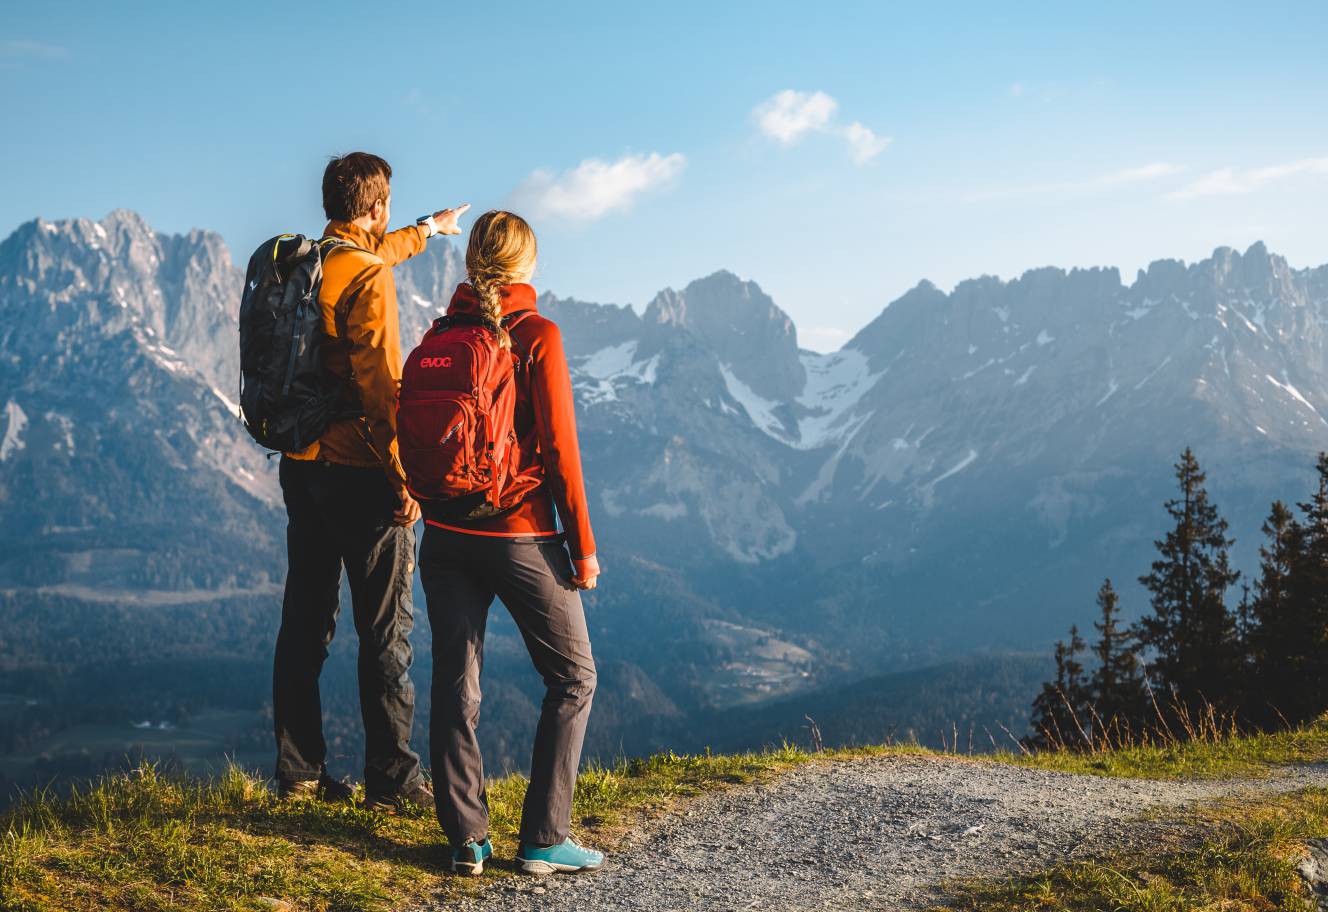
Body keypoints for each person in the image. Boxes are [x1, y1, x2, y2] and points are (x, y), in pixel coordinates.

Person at [272, 151, 468, 810]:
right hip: (361, 472)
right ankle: (392, 777)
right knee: (386, 633)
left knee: (305, 623)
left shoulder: (308, 264)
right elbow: (382, 392)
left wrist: (431, 228)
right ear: (376, 208)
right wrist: (406, 481)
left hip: (301, 468)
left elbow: (378, 248)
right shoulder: (370, 278)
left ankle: (298, 773)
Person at [419, 211, 603, 876]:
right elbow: (561, 451)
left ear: (471, 264)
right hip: (519, 536)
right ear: (528, 266)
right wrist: (581, 547)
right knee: (573, 677)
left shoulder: (441, 335)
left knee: (454, 686)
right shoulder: (537, 336)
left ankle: (466, 839)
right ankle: (543, 836)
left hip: (441, 536)